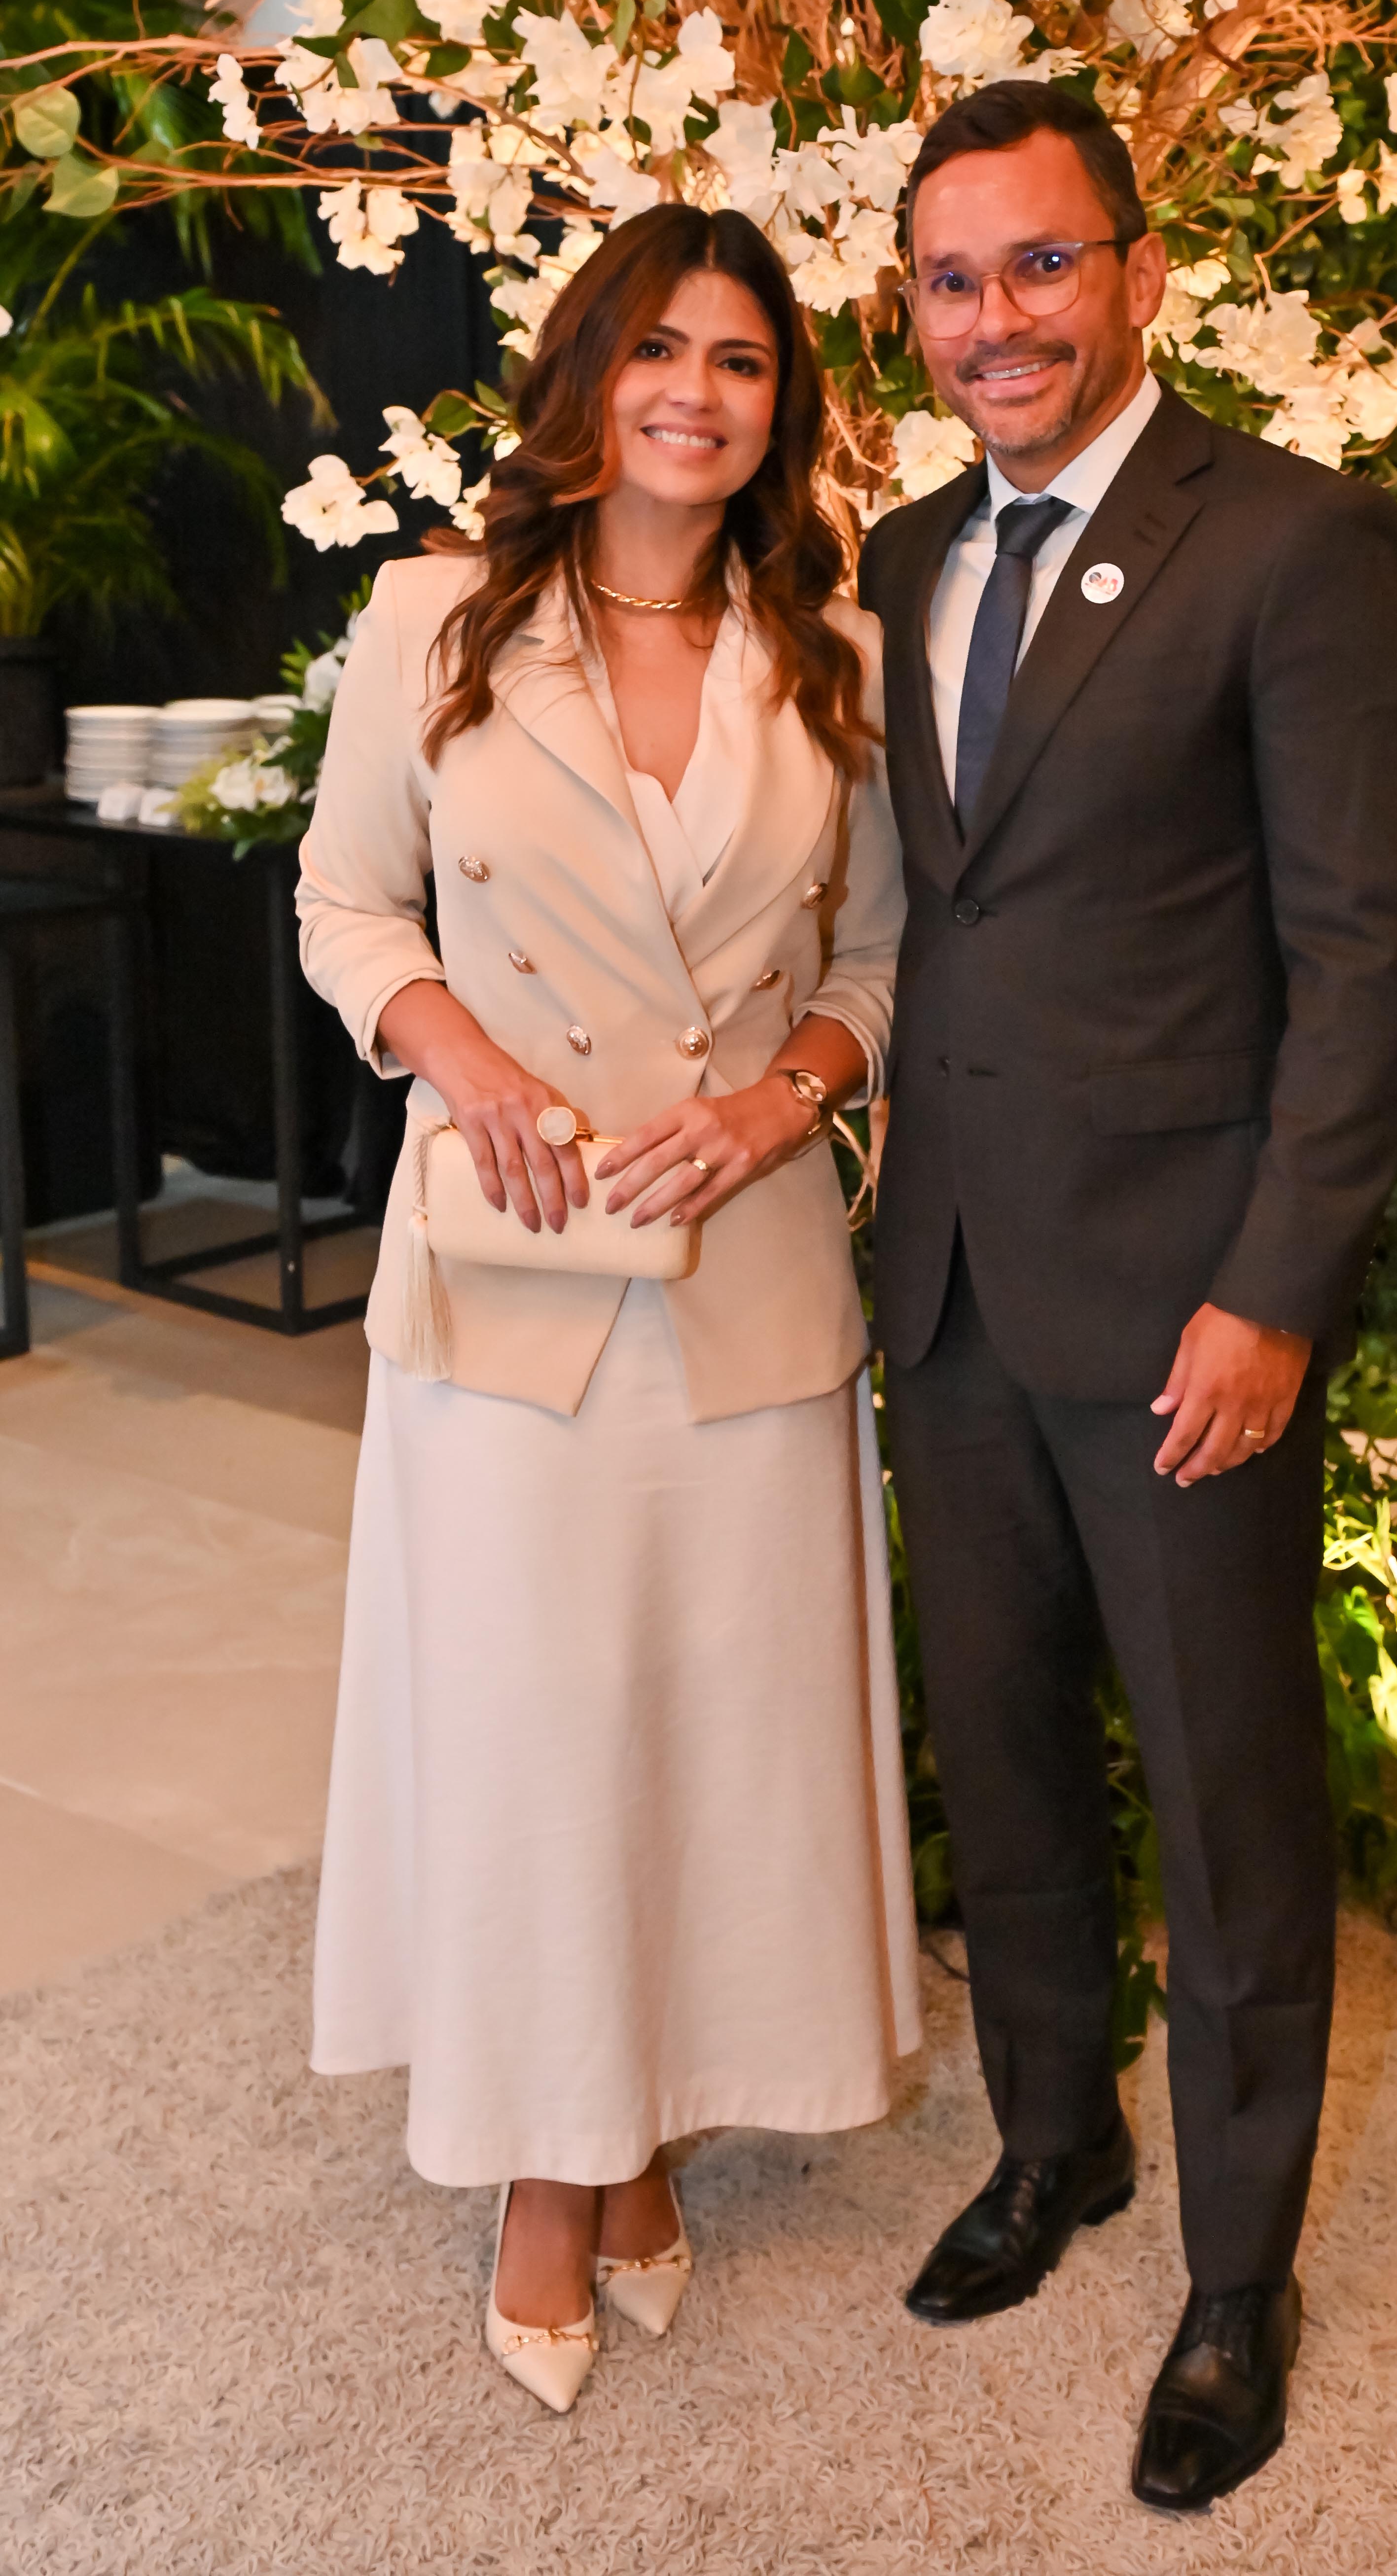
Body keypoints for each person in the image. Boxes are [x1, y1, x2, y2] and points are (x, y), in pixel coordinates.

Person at [859, 82, 1397, 2512]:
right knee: (1002, 1759)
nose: (993, 317)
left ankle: (1232, 2275)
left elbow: (1368, 953)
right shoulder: (901, 553)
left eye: (1037, 263)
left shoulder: (1293, 543)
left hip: (1188, 1310)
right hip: (951, 1284)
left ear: (1133, 272)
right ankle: (1053, 2140)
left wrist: (1274, 1290)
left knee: (1220, 1803)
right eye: (949, 279)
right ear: (908, 314)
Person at [296, 202, 920, 2416]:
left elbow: (876, 962)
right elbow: (346, 900)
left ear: (778, 409)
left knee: (708, 1736)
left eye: (740, 361)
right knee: (534, 1738)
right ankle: (549, 2173)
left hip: (745, 1270)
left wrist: (780, 1102)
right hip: (514, 1267)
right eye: (659, 349)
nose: (695, 393)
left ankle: (643, 2125)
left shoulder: (832, 648)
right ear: (589, 375)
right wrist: (461, 1059)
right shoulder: (433, 618)